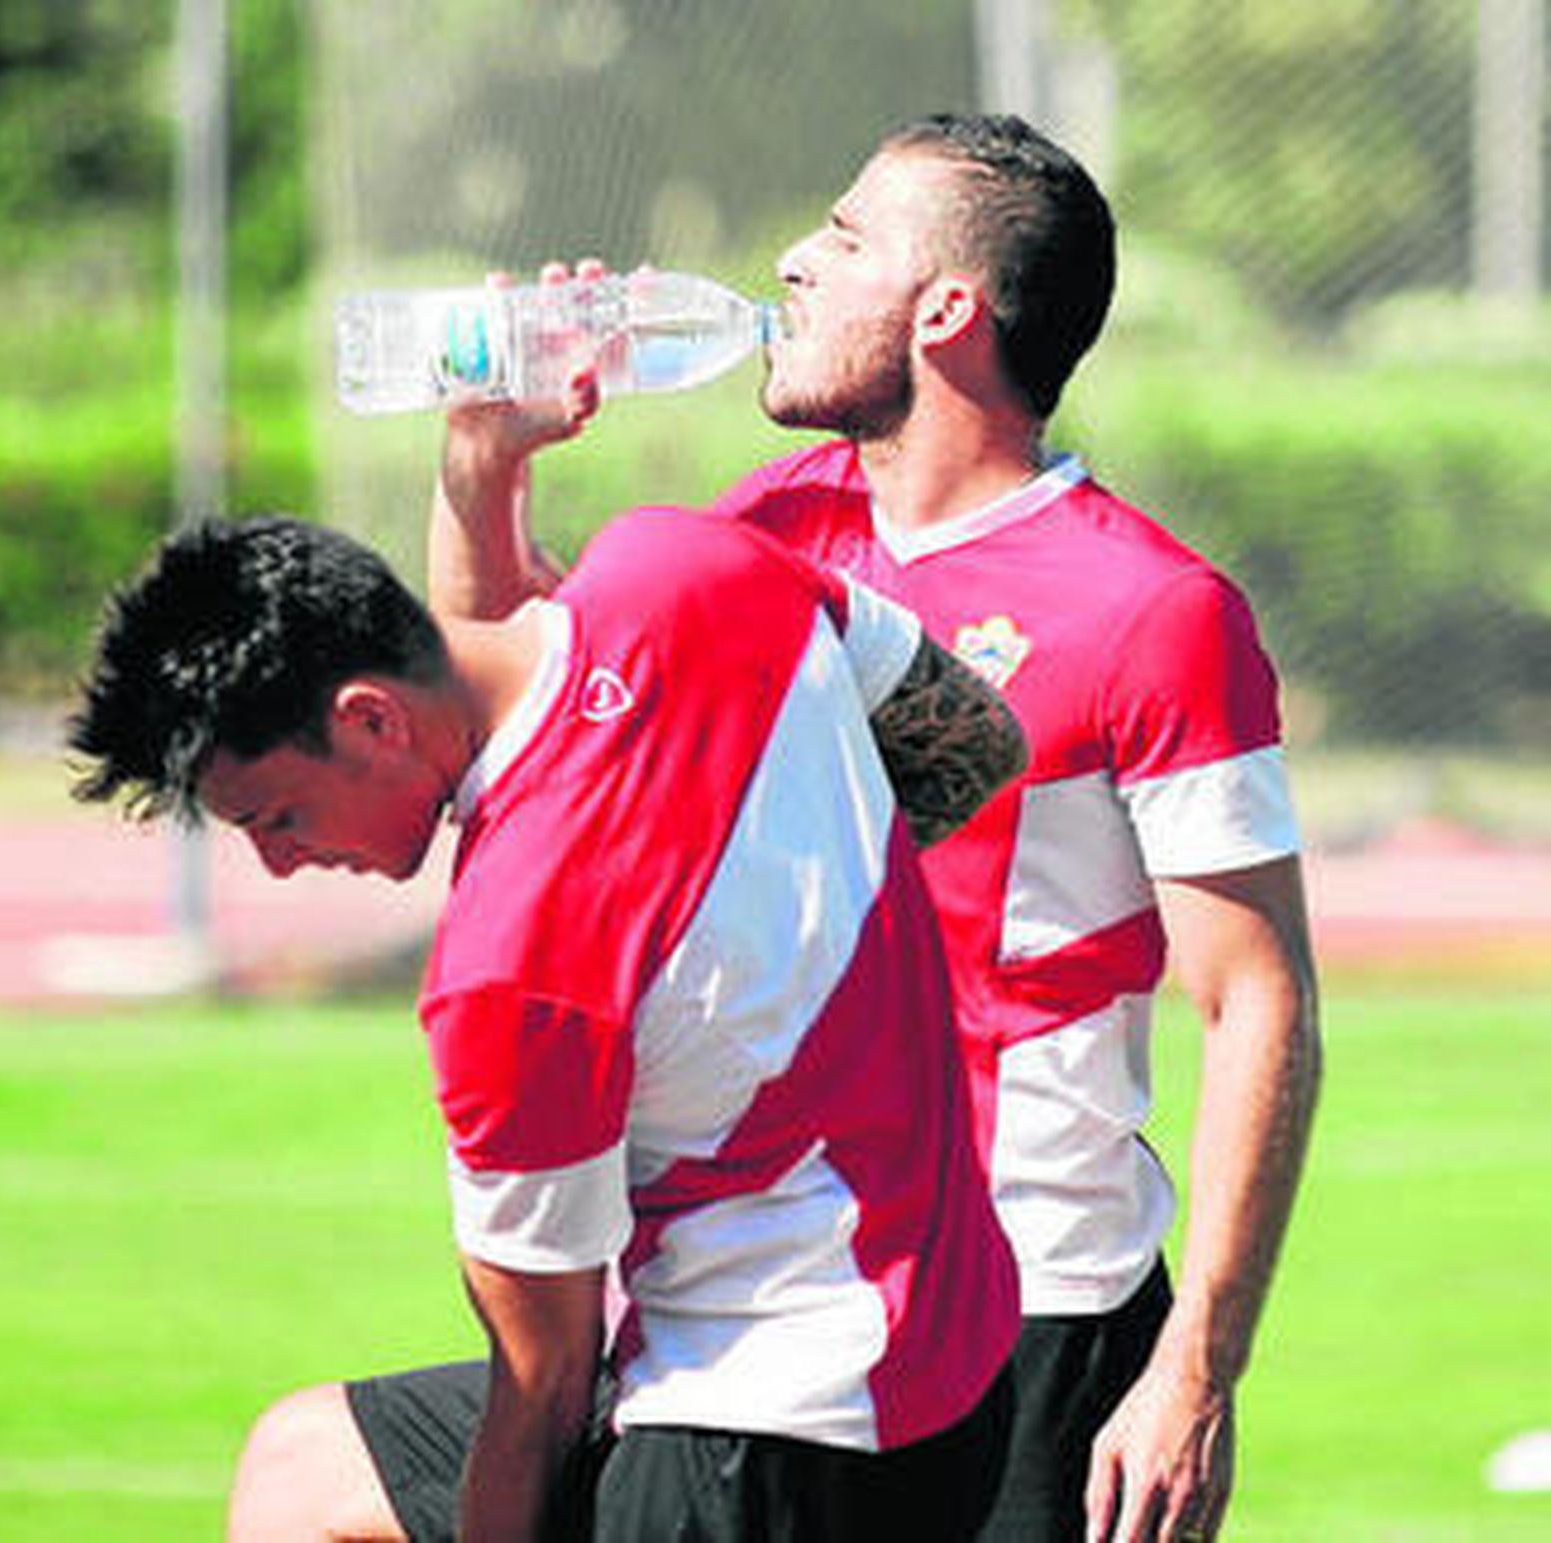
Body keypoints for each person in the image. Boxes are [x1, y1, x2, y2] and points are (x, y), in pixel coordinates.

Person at [432, 112, 1322, 1542]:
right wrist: (485, 469)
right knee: (308, 1468)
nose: (793, 260)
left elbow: (1257, 994)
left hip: (1034, 1304)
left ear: (946, 310)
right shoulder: (764, 531)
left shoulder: (1157, 610)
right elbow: (508, 715)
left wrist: (1194, 1365)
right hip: (780, 1292)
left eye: (845, 237)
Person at [67, 504, 1029, 1541]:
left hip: (754, 1436)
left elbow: (544, 1388)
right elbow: (979, 744)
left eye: (278, 818)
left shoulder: (509, 963)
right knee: (303, 1466)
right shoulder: (689, 564)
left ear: (372, 719)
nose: (280, 863)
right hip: (964, 1366)